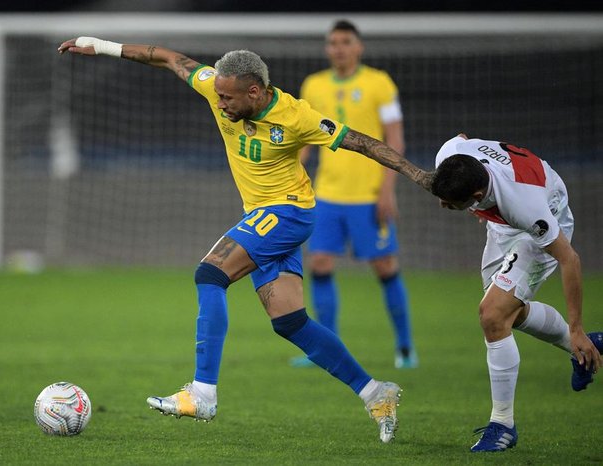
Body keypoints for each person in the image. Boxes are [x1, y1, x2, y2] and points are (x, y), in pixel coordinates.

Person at [58, 36, 431, 443]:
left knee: (210, 274)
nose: (219, 104)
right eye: (217, 94)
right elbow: (167, 58)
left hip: (289, 212)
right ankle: (376, 392)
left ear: (255, 92)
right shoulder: (215, 85)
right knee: (290, 323)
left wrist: (421, 177)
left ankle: (202, 393)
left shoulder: (297, 117)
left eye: (228, 98)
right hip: (263, 215)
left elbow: (364, 142)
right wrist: (99, 45)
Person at [431, 133, 603, 452]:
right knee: (505, 316)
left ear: (478, 195)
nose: (442, 206)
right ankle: (587, 347)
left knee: (493, 315)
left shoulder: (526, 207)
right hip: (501, 226)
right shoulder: (452, 156)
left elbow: (570, 260)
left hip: (544, 223)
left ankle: (503, 425)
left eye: (450, 203)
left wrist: (576, 325)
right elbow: (462, 138)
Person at [294, 20, 416, 369]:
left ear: (358, 47)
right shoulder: (313, 85)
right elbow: (303, 140)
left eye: (346, 41)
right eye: (333, 42)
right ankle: (326, 349)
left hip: (369, 194)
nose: (339, 48)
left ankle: (405, 347)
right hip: (326, 195)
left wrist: (388, 190)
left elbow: (395, 140)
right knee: (318, 263)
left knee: (385, 266)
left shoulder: (379, 83)